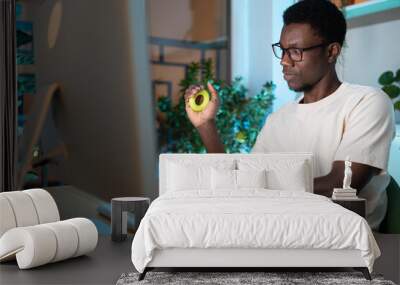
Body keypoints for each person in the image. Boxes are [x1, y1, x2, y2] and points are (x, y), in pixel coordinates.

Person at [184, 0, 395, 230]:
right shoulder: (279, 119)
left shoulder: (366, 102)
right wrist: (206, 125)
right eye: (283, 50)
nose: (284, 61)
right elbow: (241, 181)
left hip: (346, 244)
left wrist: (259, 189)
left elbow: (342, 185)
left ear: (331, 51)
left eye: (296, 51)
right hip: (284, 232)